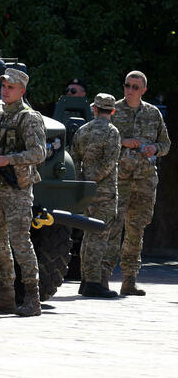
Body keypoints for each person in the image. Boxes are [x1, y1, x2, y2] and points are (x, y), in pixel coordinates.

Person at [0, 67, 46, 316]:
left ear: (22, 91)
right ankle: (6, 295)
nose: (5, 90)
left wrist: (9, 159)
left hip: (17, 190)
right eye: (3, 86)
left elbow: (39, 153)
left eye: (10, 87)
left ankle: (33, 298)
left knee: (20, 242)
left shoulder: (30, 118)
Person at [109, 71, 171, 296]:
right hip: (118, 178)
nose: (130, 90)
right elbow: (100, 141)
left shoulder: (153, 113)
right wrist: (123, 141)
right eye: (127, 85)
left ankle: (129, 280)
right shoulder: (113, 110)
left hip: (144, 181)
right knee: (112, 228)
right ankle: (101, 280)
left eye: (136, 86)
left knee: (136, 231)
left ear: (144, 90)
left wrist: (155, 148)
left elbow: (165, 144)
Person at [72, 93, 121, 298]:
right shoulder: (112, 132)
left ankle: (85, 280)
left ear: (94, 109)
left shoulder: (82, 130)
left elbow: (73, 159)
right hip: (105, 191)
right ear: (112, 111)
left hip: (85, 191)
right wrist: (95, 179)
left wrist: (83, 182)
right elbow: (110, 162)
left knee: (88, 236)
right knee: (100, 237)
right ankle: (93, 282)